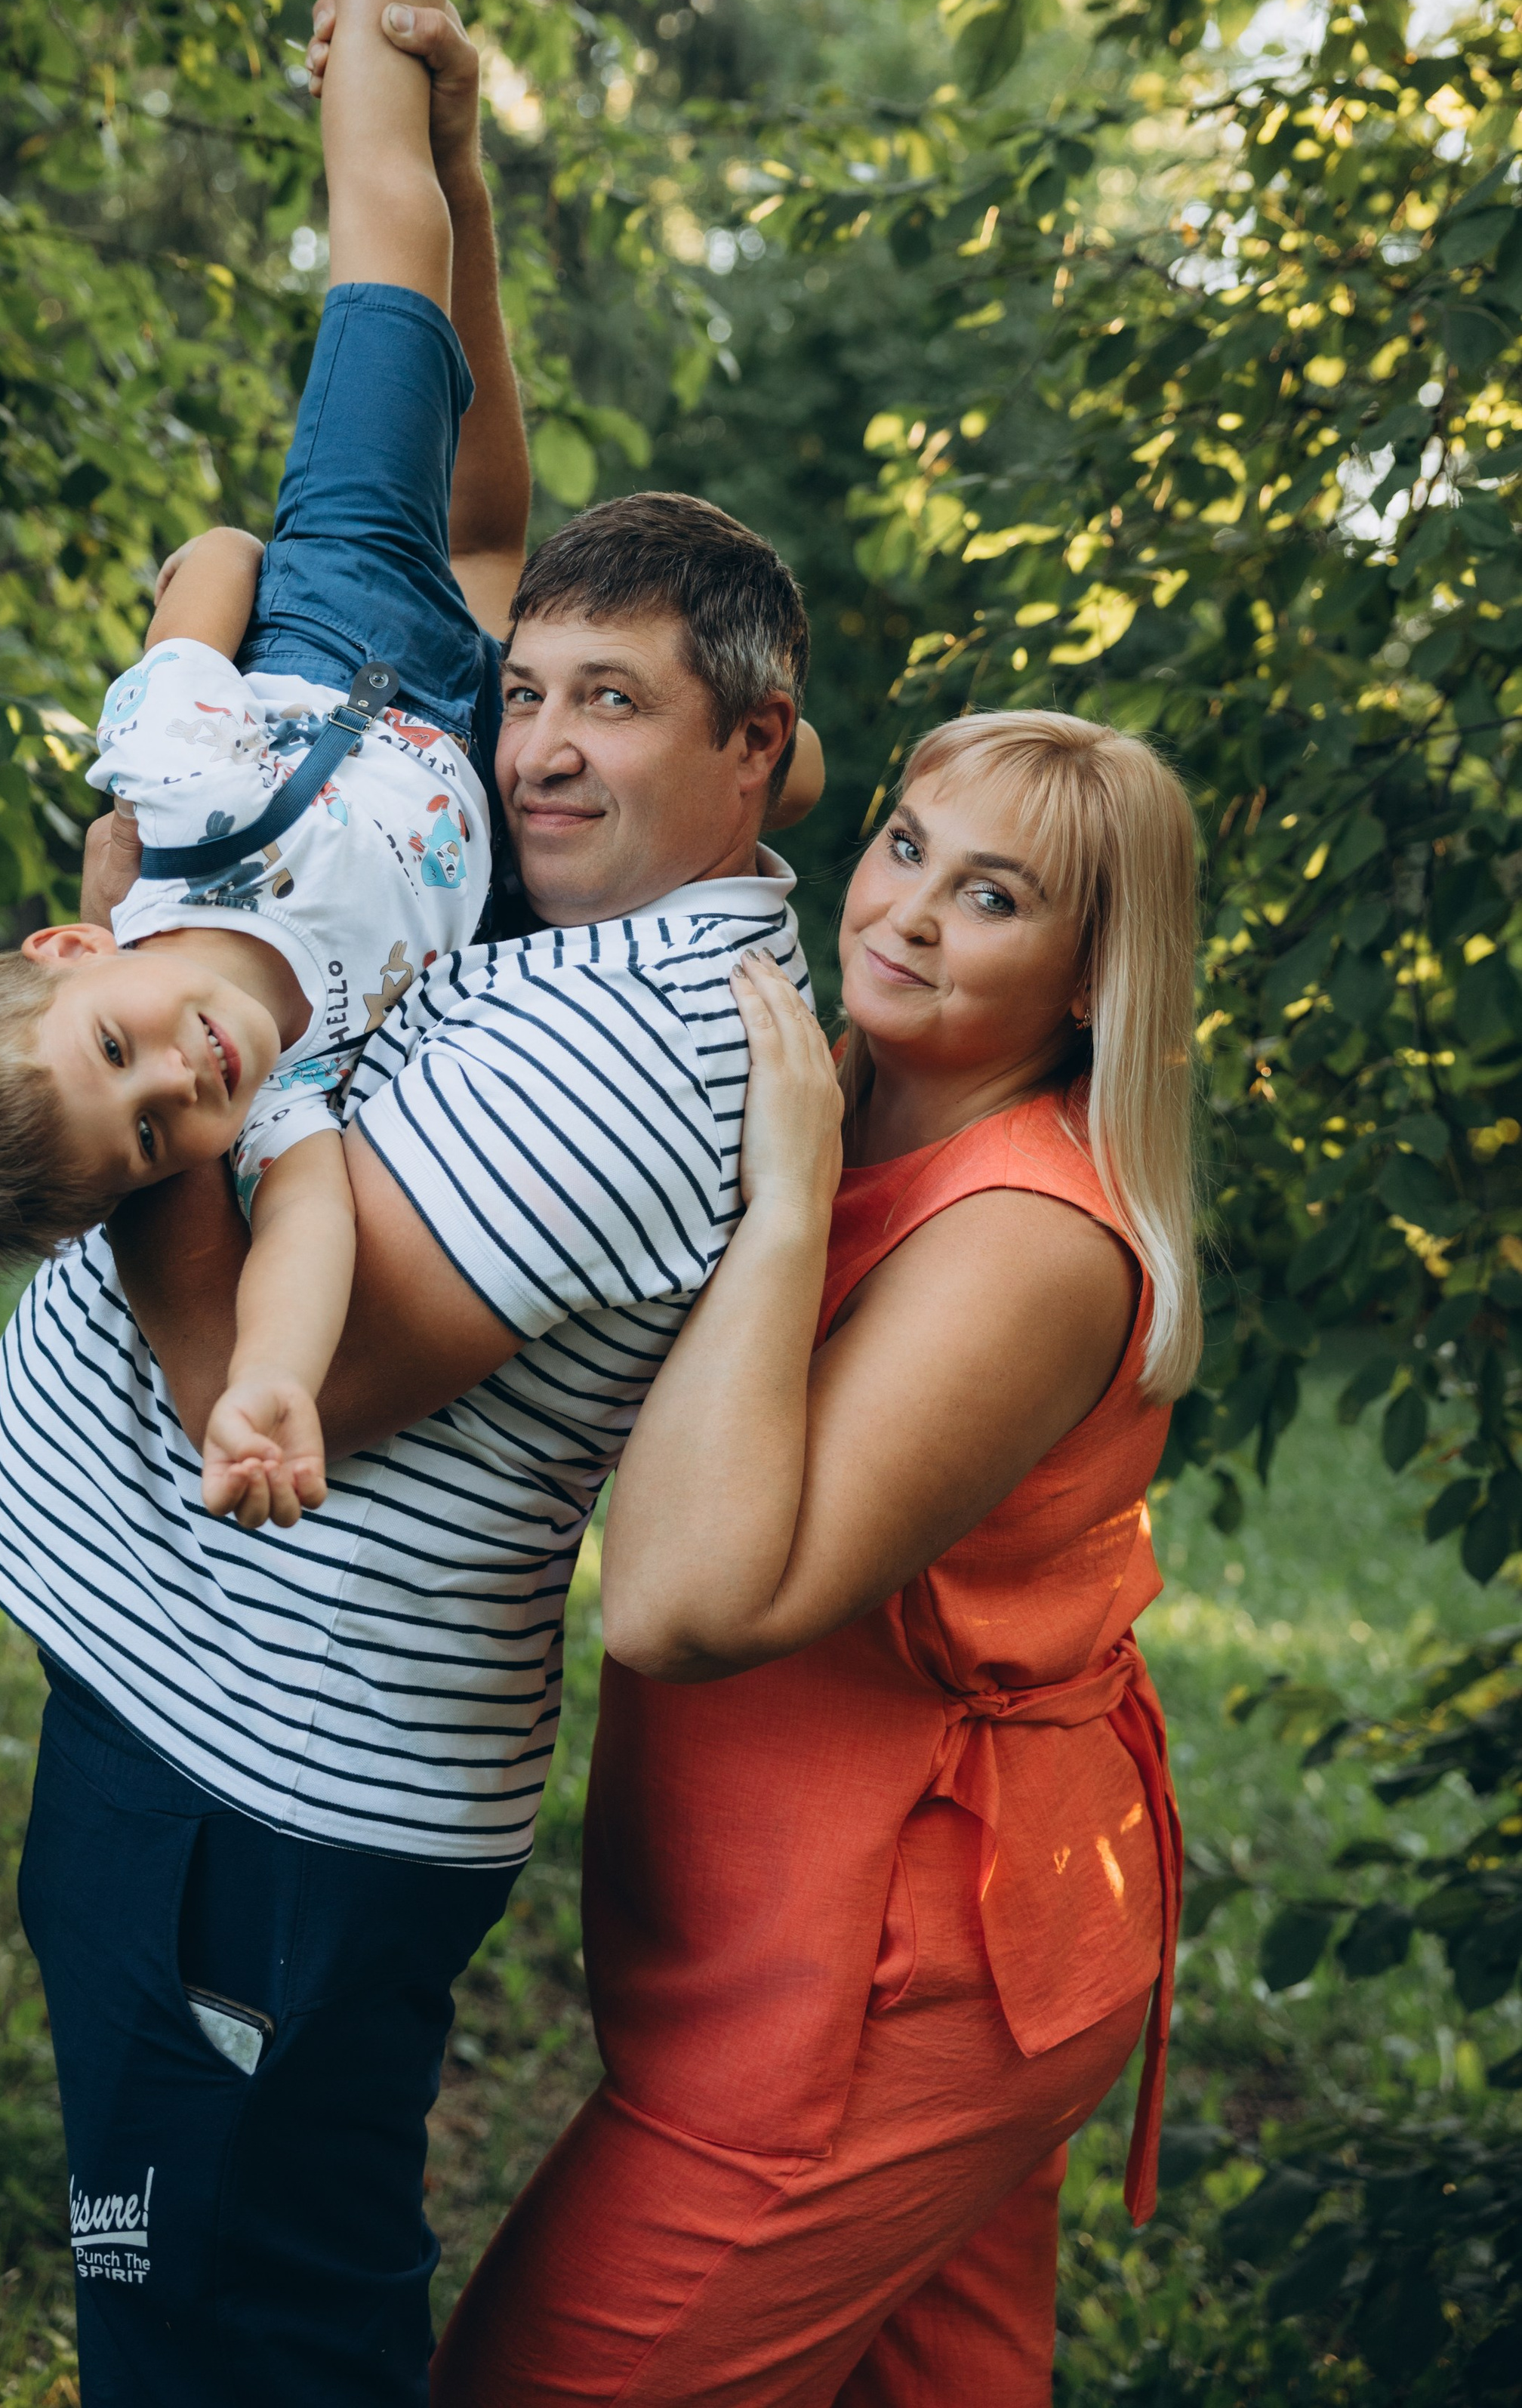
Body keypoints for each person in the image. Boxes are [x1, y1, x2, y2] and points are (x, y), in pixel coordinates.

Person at [0, 0, 822, 2408]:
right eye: (527, 690)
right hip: (176, 1727)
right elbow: (465, 517)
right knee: (147, 2283)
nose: (533, 735)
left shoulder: (654, 1024)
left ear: (762, 754)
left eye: (605, 711)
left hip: (264, 1804)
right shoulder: (527, 886)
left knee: (235, 2331)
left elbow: (241, 1341)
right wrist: (427, 125)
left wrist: (138, 941)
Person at [0, 0, 566, 1534]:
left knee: (384, 240)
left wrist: (256, 588)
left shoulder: (165, 803)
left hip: (328, 608)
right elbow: (305, 1230)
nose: (183, 1083)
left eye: (122, 1054)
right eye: (158, 1134)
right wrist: (261, 1384)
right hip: (466, 722)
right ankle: (429, 112)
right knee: (504, 507)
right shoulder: (290, 1078)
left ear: (80, 952)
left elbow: (209, 571)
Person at [434, 710, 1199, 2408]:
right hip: (833, 1940)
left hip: (897, 1986)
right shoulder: (844, 1098)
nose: (908, 913)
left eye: (993, 898)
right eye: (906, 845)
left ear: (1091, 980)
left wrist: (782, 1209)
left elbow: (684, 1605)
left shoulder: (1023, 1239)